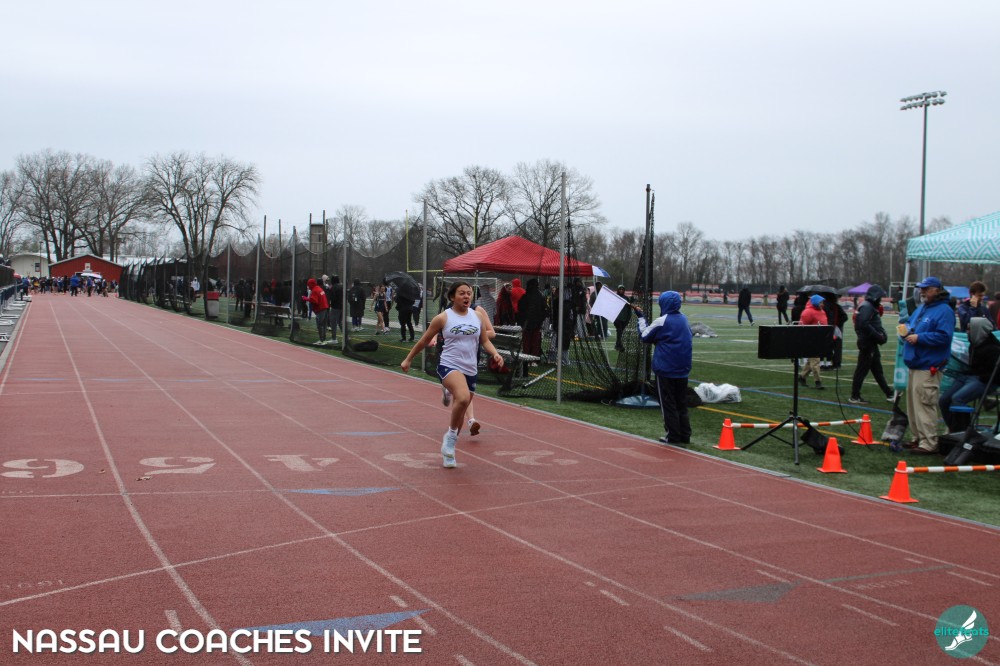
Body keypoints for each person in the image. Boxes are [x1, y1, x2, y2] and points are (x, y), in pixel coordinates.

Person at [400, 281, 504, 468]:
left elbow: (485, 340)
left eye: (469, 293)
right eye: (462, 293)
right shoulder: (443, 318)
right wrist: (408, 359)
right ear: (452, 297)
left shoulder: (477, 316)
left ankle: (450, 449)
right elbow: (424, 340)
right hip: (449, 365)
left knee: (461, 407)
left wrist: (495, 353)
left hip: (470, 368)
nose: (466, 296)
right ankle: (449, 439)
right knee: (462, 398)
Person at [900, 277, 955, 455]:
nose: (922, 291)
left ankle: (929, 442)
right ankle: (918, 437)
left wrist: (920, 337)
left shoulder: (944, 310)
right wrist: (905, 331)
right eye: (921, 288)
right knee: (913, 405)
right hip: (916, 363)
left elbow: (944, 336)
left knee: (924, 404)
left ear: (937, 290)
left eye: (926, 288)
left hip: (928, 364)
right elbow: (911, 324)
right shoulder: (923, 307)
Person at [635, 291, 693, 445]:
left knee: (668, 404)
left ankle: (673, 435)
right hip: (683, 368)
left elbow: (645, 336)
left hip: (666, 369)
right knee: (681, 403)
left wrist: (640, 318)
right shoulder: (684, 319)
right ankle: (685, 434)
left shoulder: (661, 321)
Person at [849, 284, 893, 404]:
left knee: (877, 370)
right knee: (862, 370)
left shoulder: (867, 306)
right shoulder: (867, 306)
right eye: (879, 297)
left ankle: (889, 393)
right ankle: (855, 396)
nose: (880, 300)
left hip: (870, 343)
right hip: (868, 343)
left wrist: (879, 334)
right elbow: (863, 324)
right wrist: (878, 335)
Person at [798, 294, 828, 389]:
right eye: (821, 302)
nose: (822, 304)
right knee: (815, 361)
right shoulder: (808, 312)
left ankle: (802, 377)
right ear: (815, 302)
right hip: (810, 340)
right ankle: (818, 382)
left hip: (819, 339)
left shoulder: (822, 311)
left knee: (811, 361)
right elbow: (802, 327)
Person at [517, 278, 547, 359]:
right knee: (535, 342)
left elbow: (520, 308)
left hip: (527, 323)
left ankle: (526, 358)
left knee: (527, 342)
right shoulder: (540, 296)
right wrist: (540, 319)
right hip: (536, 324)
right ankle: (534, 359)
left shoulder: (526, 296)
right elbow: (545, 310)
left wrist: (523, 320)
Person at [302, 278, 330, 345]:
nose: (308, 286)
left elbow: (314, 300)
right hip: (325, 308)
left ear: (311, 284)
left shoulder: (315, 290)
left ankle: (321, 340)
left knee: (320, 325)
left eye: (309, 285)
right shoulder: (318, 288)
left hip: (321, 309)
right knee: (324, 325)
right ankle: (323, 339)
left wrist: (306, 298)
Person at [324, 275, 343, 344]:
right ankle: (346, 337)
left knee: (333, 323)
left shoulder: (333, 288)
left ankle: (334, 339)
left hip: (335, 307)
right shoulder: (341, 286)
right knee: (340, 322)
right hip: (342, 306)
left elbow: (332, 298)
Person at [613, 285, 632, 351]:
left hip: (624, 318)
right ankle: (619, 345)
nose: (621, 290)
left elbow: (629, 309)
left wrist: (628, 318)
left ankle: (617, 344)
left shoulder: (626, 298)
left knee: (620, 332)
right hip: (617, 318)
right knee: (619, 330)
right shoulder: (615, 297)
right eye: (620, 289)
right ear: (618, 290)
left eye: (622, 289)